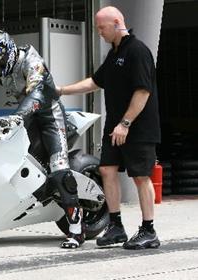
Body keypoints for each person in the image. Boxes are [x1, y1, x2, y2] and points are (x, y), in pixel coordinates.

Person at [56, 6, 161, 249]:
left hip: (138, 128)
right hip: (116, 126)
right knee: (107, 170)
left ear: (116, 23)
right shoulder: (113, 55)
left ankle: (149, 231)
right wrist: (61, 90)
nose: (99, 32)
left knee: (141, 177)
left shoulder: (137, 51)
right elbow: (94, 81)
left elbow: (143, 91)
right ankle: (116, 227)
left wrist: (125, 124)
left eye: (102, 28)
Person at [0, 28, 84, 249]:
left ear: (6, 53)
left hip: (49, 116)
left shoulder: (32, 61)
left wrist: (16, 117)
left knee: (59, 166)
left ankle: (77, 229)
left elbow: (36, 94)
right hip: (26, 116)